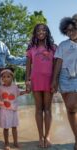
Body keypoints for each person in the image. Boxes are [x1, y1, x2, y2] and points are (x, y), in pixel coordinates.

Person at [26, 23, 56, 148]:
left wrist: (55, 81)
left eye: (43, 30)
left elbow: (56, 66)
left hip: (49, 80)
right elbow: (28, 66)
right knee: (38, 109)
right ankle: (40, 137)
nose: (41, 32)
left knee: (47, 109)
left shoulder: (54, 48)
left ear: (47, 32)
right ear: (35, 33)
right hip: (35, 80)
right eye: (38, 30)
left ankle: (47, 136)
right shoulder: (31, 48)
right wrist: (27, 80)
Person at [51, 16, 77, 150]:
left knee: (73, 105)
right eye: (67, 31)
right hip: (64, 78)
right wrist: (54, 80)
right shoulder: (63, 45)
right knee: (71, 109)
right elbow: (58, 62)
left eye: (73, 30)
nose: (70, 33)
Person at [0, 68, 26, 150]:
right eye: (3, 77)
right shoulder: (0, 88)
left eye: (8, 76)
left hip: (13, 111)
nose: (5, 78)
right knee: (6, 128)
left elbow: (18, 93)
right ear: (1, 79)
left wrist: (26, 91)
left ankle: (15, 142)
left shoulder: (15, 87)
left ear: (12, 77)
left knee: (14, 127)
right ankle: (7, 143)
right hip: (4, 111)